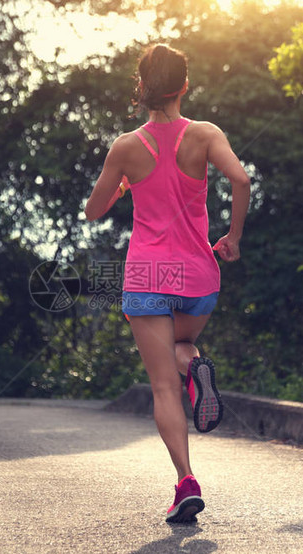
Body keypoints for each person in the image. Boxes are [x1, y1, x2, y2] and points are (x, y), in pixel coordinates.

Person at [84, 44, 251, 523]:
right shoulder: (204, 134)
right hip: (199, 275)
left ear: (141, 88)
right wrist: (233, 238)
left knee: (162, 386)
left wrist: (122, 186)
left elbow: (93, 211)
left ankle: (186, 482)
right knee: (182, 346)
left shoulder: (127, 147)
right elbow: (240, 180)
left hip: (148, 275)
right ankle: (195, 367)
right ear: (184, 86)